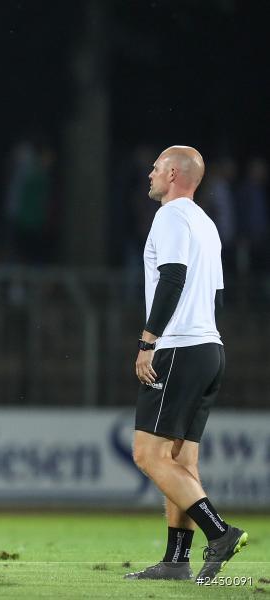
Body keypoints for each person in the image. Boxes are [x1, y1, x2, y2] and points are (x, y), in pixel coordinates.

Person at [125, 146, 248, 583]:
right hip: (209, 347)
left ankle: (219, 533)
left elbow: (172, 276)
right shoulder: (207, 224)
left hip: (178, 348)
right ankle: (177, 561)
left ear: (173, 173)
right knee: (181, 459)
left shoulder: (171, 216)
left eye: (156, 168)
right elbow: (215, 296)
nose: (150, 174)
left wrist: (147, 341)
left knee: (148, 454)